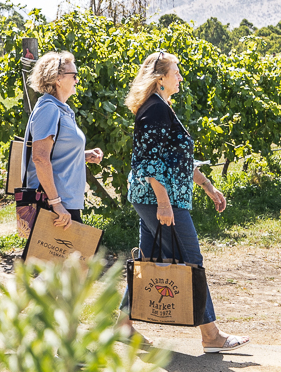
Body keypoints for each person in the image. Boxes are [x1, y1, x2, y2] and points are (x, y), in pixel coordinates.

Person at [126, 51, 245, 353]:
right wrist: (164, 202)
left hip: (155, 200)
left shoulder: (161, 107)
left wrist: (207, 186)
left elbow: (177, 159)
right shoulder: (154, 110)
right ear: (161, 77)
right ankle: (211, 335)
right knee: (192, 262)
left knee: (147, 259)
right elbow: (150, 163)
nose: (180, 78)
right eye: (175, 73)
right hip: (161, 201)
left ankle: (122, 326)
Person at [22, 50, 104, 233]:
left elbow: (54, 153)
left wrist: (82, 155)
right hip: (55, 204)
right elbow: (40, 158)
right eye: (74, 75)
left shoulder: (61, 109)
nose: (77, 80)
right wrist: (56, 204)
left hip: (64, 201)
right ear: (57, 79)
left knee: (61, 261)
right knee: (66, 260)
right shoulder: (49, 109)